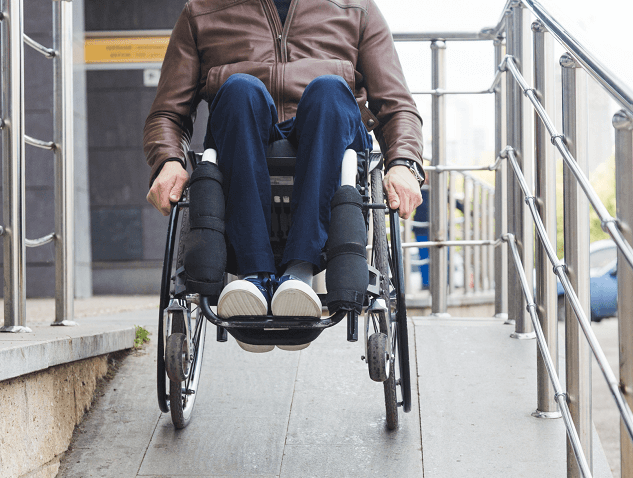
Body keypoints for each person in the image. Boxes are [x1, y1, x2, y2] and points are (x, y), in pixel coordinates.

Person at [144, 0, 424, 351]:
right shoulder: (200, 11)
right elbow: (168, 113)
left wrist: (403, 163)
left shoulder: (355, 8)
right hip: (243, 138)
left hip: (328, 136)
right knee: (239, 89)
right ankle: (253, 276)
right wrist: (168, 160)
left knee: (330, 90)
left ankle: (299, 273)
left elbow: (397, 105)